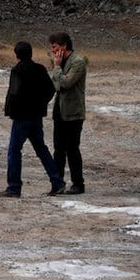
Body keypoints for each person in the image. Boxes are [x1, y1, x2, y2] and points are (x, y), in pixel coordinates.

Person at [0, 41, 66, 198]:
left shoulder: (17, 71)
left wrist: (11, 111)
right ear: (31, 53)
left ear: (16, 55)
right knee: (41, 149)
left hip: (21, 117)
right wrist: (41, 104)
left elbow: (13, 93)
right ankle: (57, 181)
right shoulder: (40, 69)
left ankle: (14, 187)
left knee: (14, 151)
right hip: (36, 116)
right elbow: (50, 89)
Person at [49, 31, 88, 194]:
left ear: (64, 46)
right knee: (58, 148)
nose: (52, 51)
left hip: (73, 112)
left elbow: (66, 83)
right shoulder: (61, 62)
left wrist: (57, 68)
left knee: (72, 148)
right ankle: (58, 183)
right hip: (59, 110)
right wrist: (58, 72)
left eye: (55, 47)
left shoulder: (77, 62)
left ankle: (78, 183)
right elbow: (56, 84)